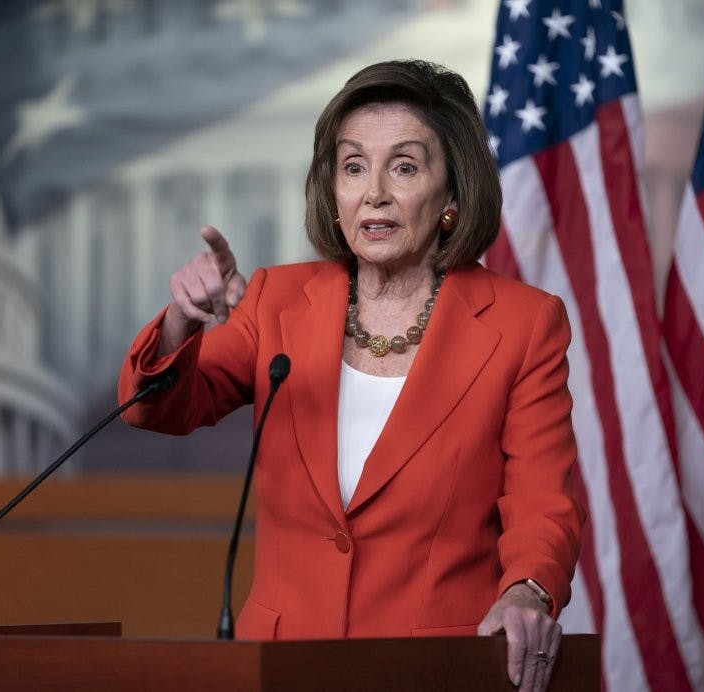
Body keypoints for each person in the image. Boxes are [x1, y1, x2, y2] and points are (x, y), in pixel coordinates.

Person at [118, 60, 583, 692]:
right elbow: (158, 409)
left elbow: (542, 502)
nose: (375, 193)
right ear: (332, 190)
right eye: (354, 166)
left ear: (453, 193)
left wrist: (529, 591)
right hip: (280, 665)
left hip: (433, 670)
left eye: (405, 166)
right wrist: (181, 322)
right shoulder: (275, 302)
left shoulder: (525, 325)